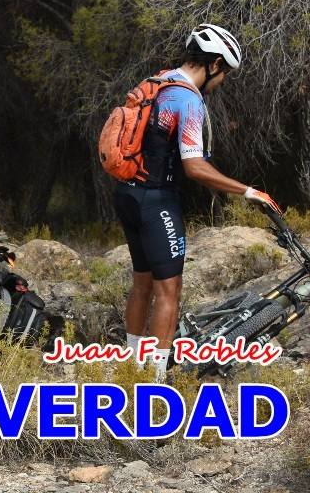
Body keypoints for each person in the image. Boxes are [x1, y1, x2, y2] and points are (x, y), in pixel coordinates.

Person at [113, 24, 279, 380]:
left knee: (141, 283)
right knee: (169, 292)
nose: (221, 83)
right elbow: (195, 167)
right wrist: (248, 191)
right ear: (215, 64)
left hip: (127, 192)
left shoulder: (159, 81)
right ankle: (153, 383)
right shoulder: (187, 97)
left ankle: (129, 369)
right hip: (157, 199)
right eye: (225, 76)